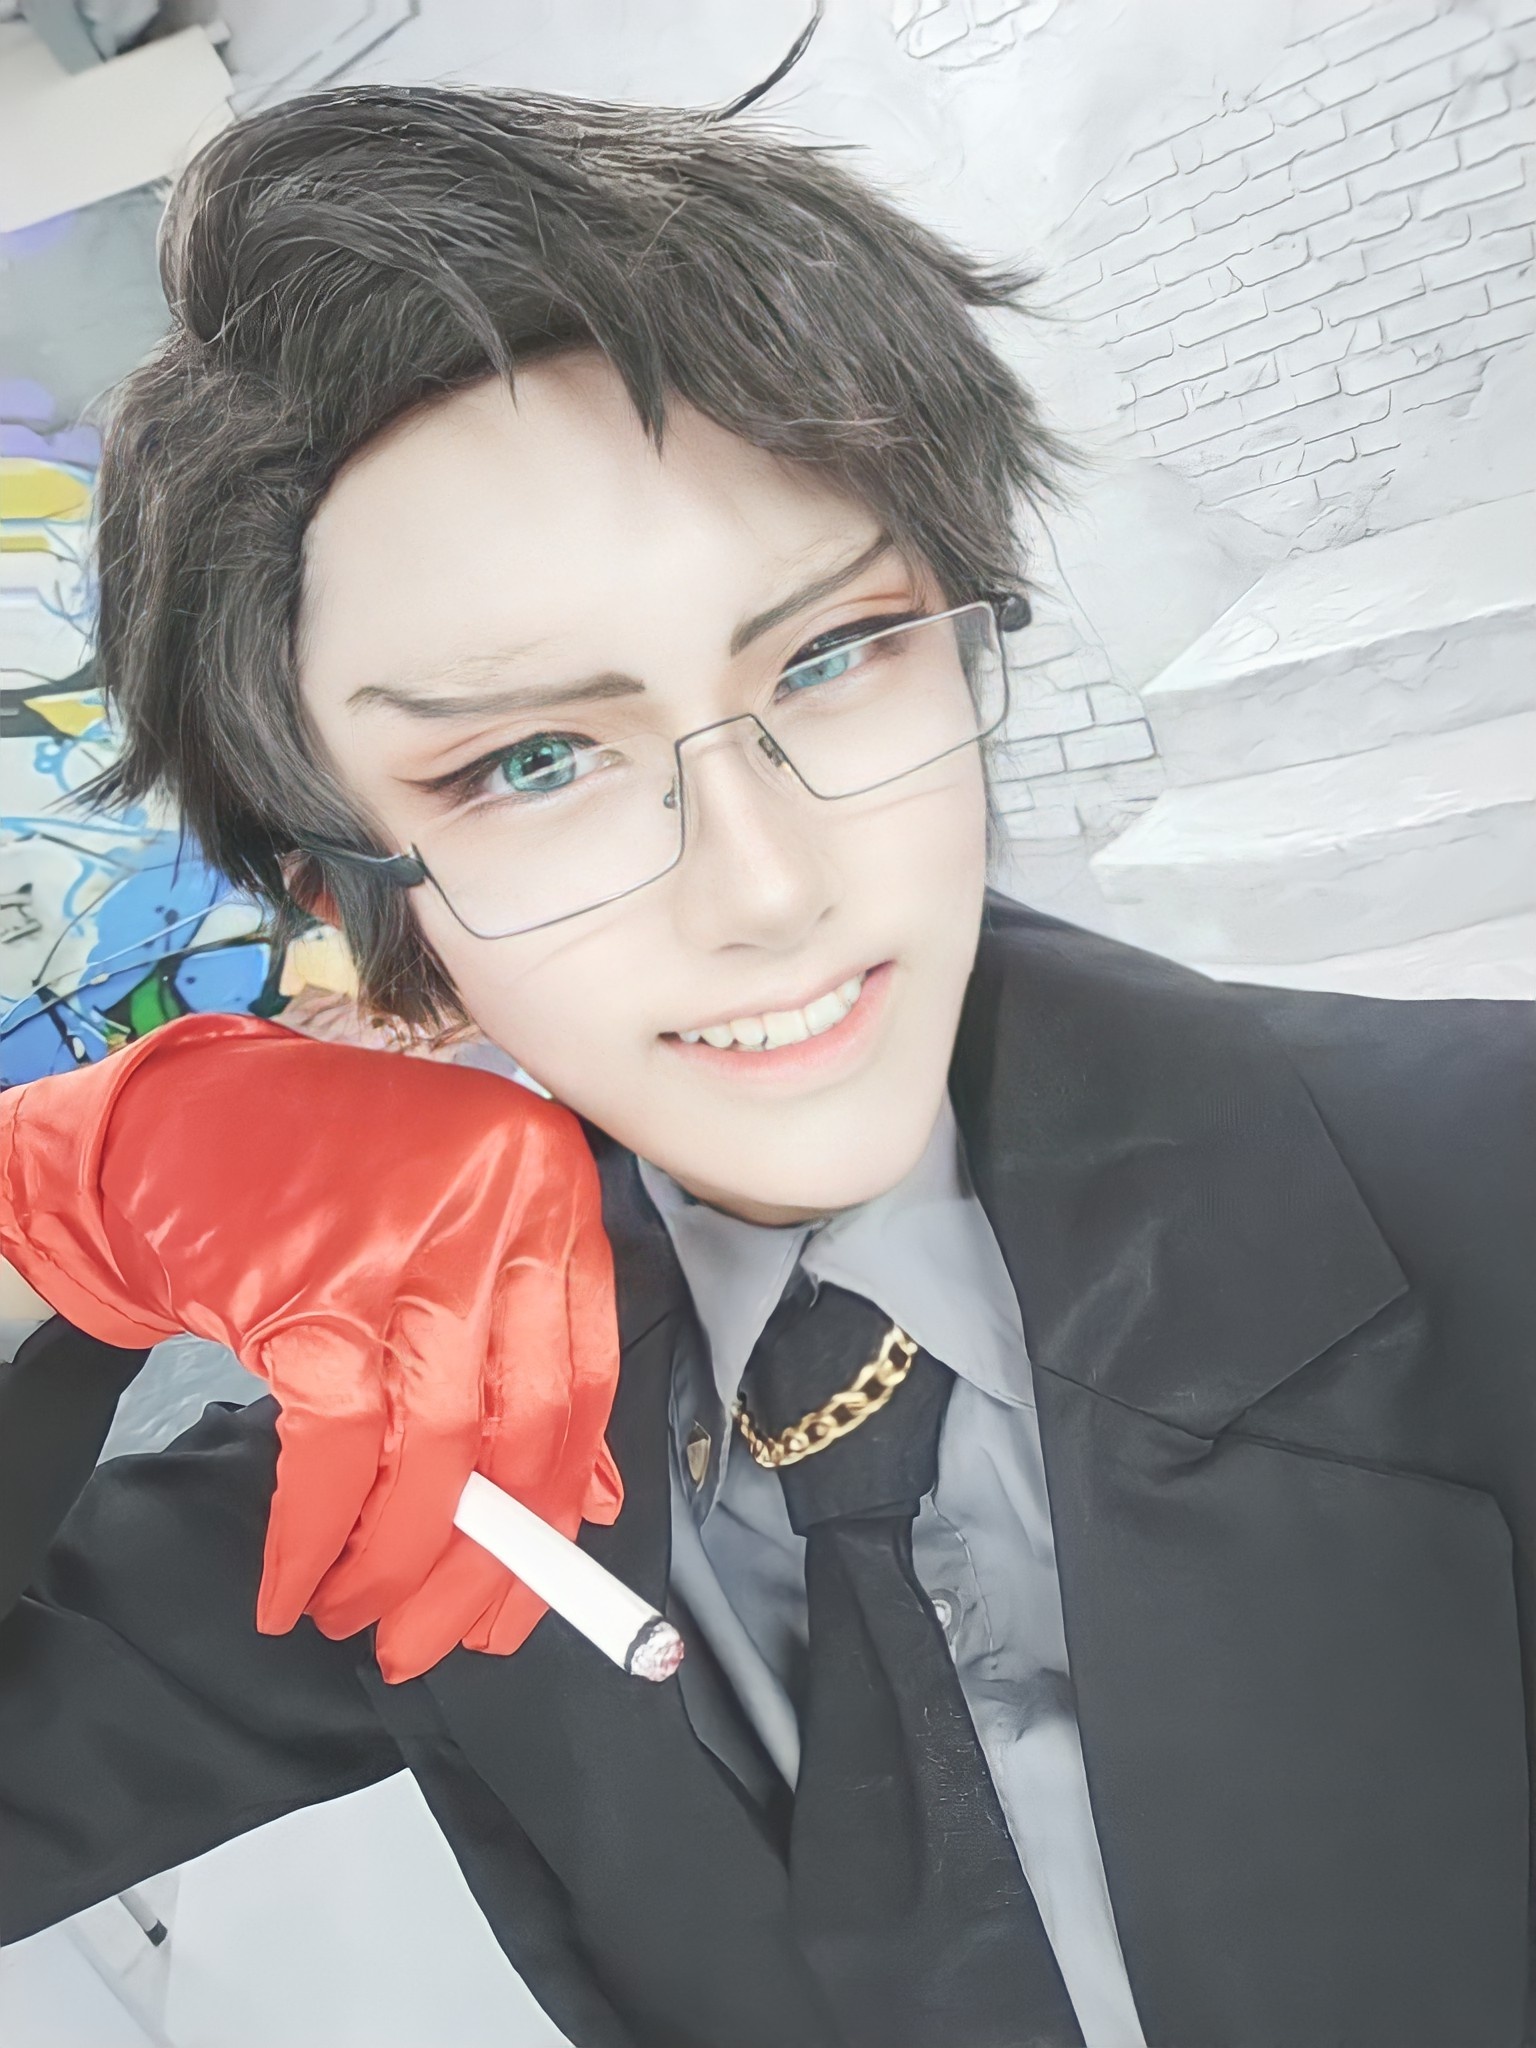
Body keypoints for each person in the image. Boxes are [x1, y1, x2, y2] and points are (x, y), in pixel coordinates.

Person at [0, 70, 1532, 2048]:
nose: (771, 885)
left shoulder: (1483, 1196)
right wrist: (57, 1202)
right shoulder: (422, 1444)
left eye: (832, 655)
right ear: (354, 896)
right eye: (533, 763)